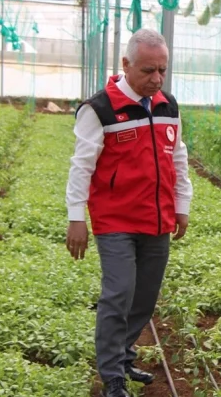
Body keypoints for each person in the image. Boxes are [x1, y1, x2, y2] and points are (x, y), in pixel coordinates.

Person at [65, 28, 193, 397]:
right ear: (126, 64)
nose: (157, 79)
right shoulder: (100, 109)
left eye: (162, 70)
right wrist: (76, 217)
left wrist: (181, 204)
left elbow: (178, 156)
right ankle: (112, 376)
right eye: (148, 70)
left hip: (157, 218)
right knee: (119, 292)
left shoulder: (168, 105)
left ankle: (123, 356)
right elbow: (81, 166)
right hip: (116, 221)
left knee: (145, 296)